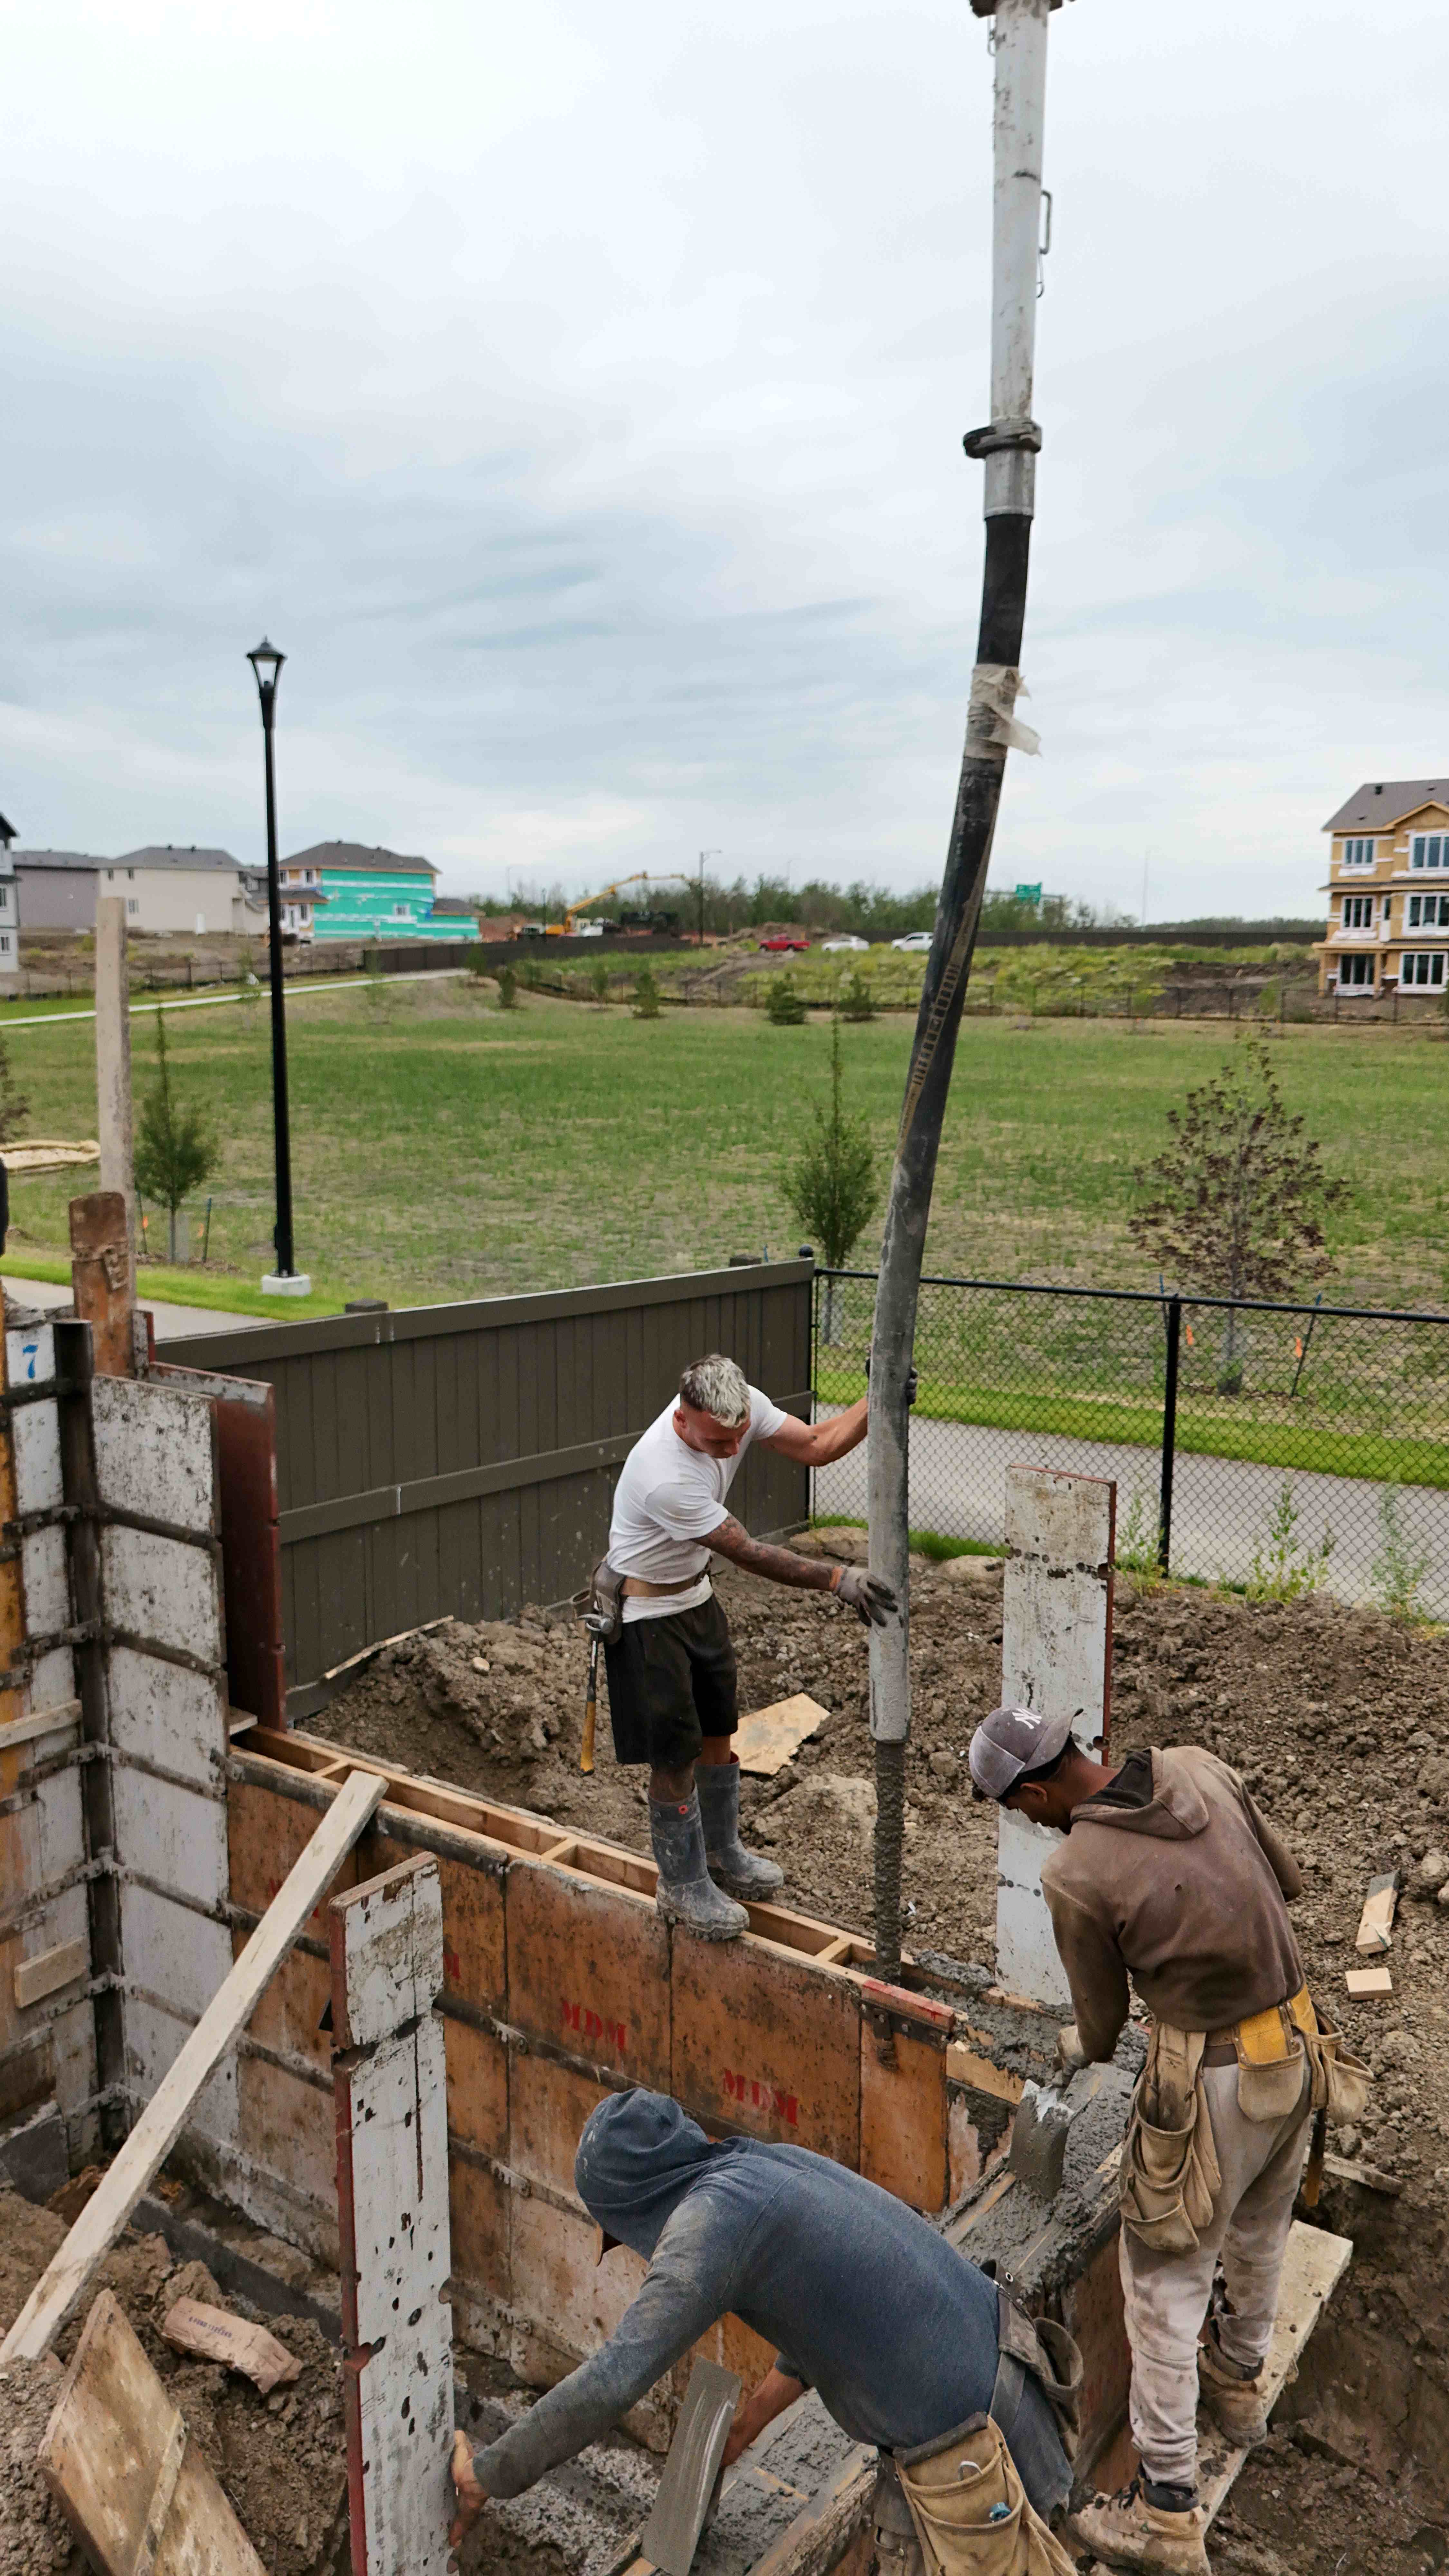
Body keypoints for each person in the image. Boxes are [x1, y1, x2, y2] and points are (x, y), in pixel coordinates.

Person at [967, 1705, 1367, 2576]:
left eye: (1018, 1807)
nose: (1027, 1823)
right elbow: (1287, 1884)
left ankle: (1167, 2520)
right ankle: (1235, 2386)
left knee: (1160, 2285)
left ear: (1035, 1790)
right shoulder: (1194, 1762)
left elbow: (1105, 2028)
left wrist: (1073, 2046)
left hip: (1214, 2078)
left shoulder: (1076, 1871)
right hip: (1297, 2047)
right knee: (1258, 2231)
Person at [447, 2089, 1078, 2567]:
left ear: (631, 2206)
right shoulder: (762, 2165)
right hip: (1011, 2377)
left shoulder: (707, 2227)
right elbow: (834, 2303)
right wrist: (747, 2423)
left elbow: (610, 2383)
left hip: (975, 2460)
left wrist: (490, 2475)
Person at [600, 1353, 896, 1938]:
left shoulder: (736, 1408)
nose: (733, 1452)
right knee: (675, 1751)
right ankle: (682, 1884)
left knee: (718, 1729)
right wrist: (837, 1579)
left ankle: (722, 1854)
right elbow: (749, 1552)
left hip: (694, 1597)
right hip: (647, 1616)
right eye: (718, 1441)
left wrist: (878, 1400)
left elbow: (816, 1443)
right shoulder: (665, 1474)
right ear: (684, 1420)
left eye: (739, 1438)